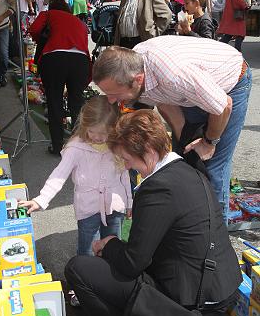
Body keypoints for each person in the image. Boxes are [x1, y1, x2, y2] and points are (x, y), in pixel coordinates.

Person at [65, 110, 242, 316]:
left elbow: (132, 263)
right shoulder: (186, 168)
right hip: (220, 294)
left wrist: (110, 244)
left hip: (194, 308)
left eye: (127, 159)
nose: (125, 166)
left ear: (147, 151)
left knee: (79, 268)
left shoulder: (156, 188)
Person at [92, 36, 252, 224]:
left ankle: (215, 236)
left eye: (114, 94)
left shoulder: (174, 75)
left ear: (138, 80)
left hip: (230, 85)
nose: (111, 100)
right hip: (194, 89)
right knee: (184, 158)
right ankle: (187, 220)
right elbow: (165, 101)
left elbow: (224, 105)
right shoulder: (134, 66)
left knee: (213, 166)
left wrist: (209, 142)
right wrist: (184, 139)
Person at [21, 96, 132, 305]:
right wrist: (41, 199)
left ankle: (110, 284)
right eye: (93, 132)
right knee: (87, 249)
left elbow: (124, 175)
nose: (99, 138)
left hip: (114, 205)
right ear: (84, 125)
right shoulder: (75, 148)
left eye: (104, 133)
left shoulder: (116, 145)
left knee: (113, 246)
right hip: (88, 208)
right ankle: (82, 288)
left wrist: (129, 201)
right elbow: (59, 175)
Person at [29, 0, 91, 155]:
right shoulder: (78, 21)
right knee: (76, 103)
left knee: (54, 101)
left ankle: (57, 146)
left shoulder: (48, 14)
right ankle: (80, 145)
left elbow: (34, 29)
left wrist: (44, 39)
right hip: (80, 61)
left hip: (54, 58)